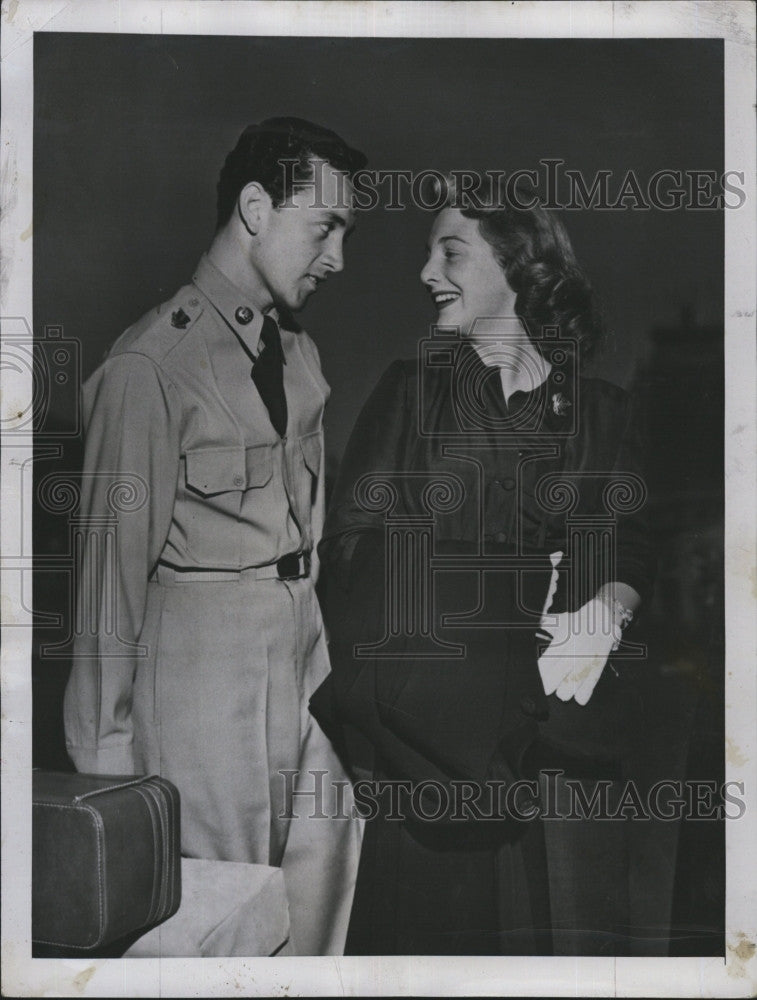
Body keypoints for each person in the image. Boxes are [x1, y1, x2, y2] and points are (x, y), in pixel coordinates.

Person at [311, 182, 655, 955]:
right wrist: (486, 599)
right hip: (427, 754)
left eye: (451, 251)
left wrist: (607, 607)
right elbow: (351, 551)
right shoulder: (410, 393)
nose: (427, 270)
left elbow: (627, 544)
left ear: (519, 264)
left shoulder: (600, 412)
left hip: (558, 757)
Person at [63, 117, 367, 955]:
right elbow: (104, 599)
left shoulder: (297, 355)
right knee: (219, 923)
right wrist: (108, 793)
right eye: (326, 227)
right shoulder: (150, 367)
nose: (338, 258)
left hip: (307, 669)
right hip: (201, 696)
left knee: (320, 898)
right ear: (255, 208)